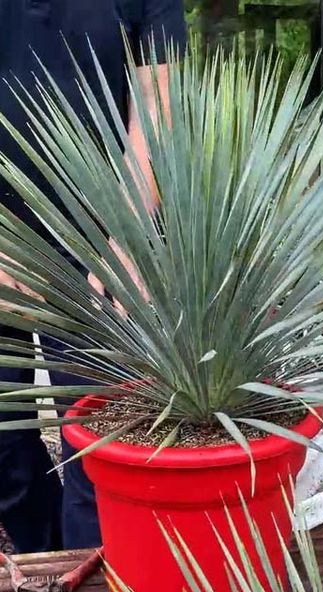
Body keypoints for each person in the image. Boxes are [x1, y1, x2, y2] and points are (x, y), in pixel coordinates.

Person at [0, 0, 187, 552]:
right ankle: (46, 554)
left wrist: (125, 240)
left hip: (101, 250)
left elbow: (156, 103)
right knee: (5, 453)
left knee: (96, 447)